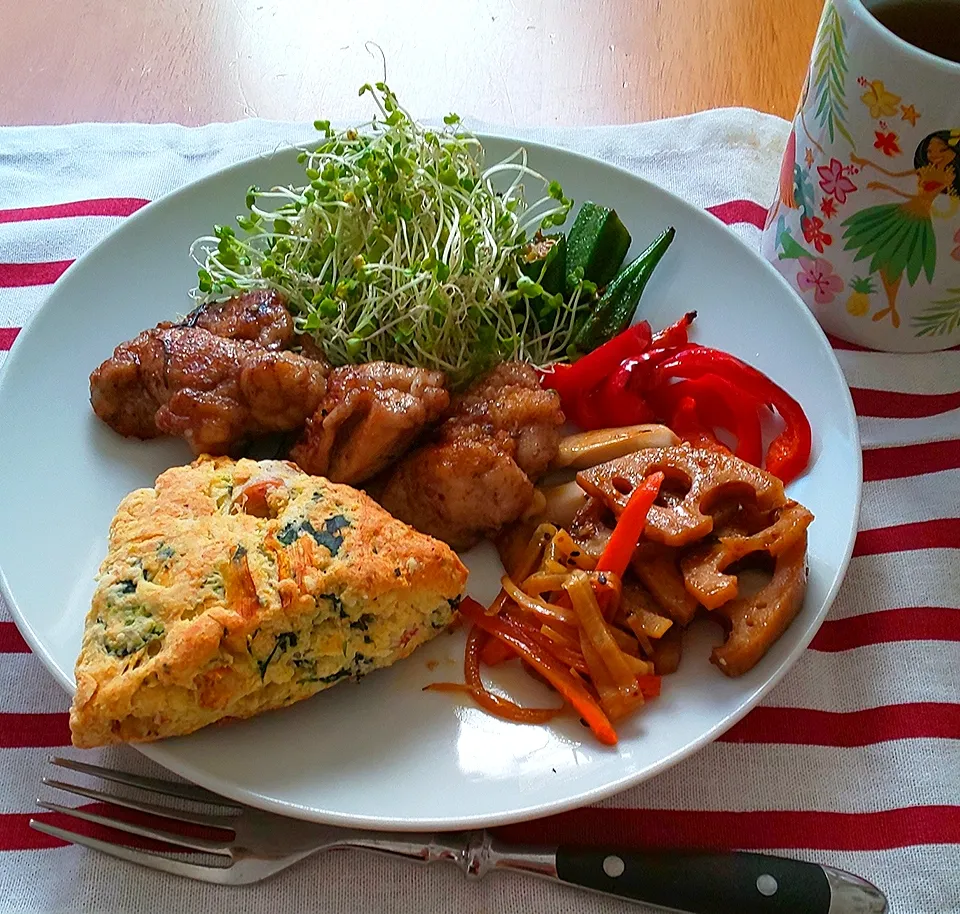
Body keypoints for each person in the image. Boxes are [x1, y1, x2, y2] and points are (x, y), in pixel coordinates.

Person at [841, 131, 960, 327]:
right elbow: (893, 174)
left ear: (953, 151)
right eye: (930, 150)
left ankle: (892, 307)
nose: (934, 154)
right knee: (882, 256)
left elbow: (923, 196)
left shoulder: (947, 176)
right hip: (903, 211)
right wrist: (865, 163)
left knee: (897, 260)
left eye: (942, 149)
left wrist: (888, 189)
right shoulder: (925, 170)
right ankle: (891, 305)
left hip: (917, 220)